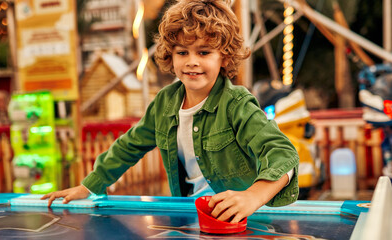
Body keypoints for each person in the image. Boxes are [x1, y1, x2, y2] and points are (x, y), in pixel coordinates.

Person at [42, 0, 299, 223]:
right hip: (190, 217)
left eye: (204, 52)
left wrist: (252, 196)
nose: (191, 61)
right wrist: (89, 185)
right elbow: (128, 146)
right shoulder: (165, 103)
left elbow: (283, 155)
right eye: (182, 52)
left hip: (242, 220)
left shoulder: (237, 104)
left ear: (225, 57)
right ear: (170, 56)